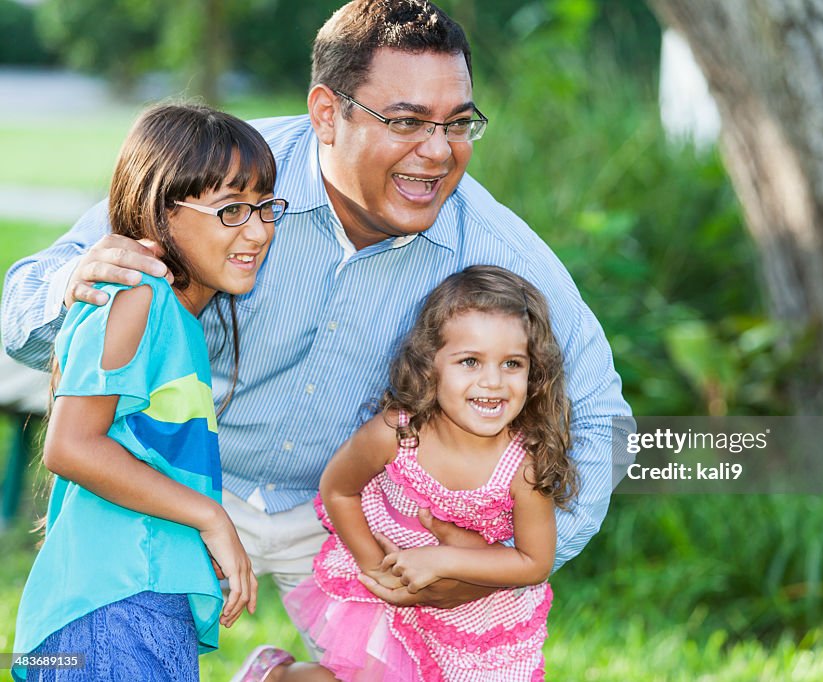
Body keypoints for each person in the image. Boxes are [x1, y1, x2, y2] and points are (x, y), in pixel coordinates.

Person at [2, 0, 632, 642]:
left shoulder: (496, 247)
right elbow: (21, 308)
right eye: (408, 121)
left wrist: (507, 564)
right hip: (182, 481)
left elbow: (602, 416)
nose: (439, 152)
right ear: (328, 113)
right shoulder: (222, 184)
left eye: (459, 123)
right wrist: (70, 287)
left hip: (350, 505)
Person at [11, 103, 285, 681]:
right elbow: (71, 446)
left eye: (264, 207)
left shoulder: (178, 321)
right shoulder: (140, 296)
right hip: (109, 609)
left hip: (144, 603)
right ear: (161, 214)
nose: (258, 231)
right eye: (231, 209)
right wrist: (210, 516)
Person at [244, 266, 577, 681]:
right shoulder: (398, 433)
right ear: (429, 364)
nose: (492, 382)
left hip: (474, 612)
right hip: (382, 590)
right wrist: (375, 569)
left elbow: (533, 562)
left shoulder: (524, 464)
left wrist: (440, 559)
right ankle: (275, 675)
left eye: (512, 363)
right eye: (470, 361)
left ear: (535, 371)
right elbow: (338, 490)